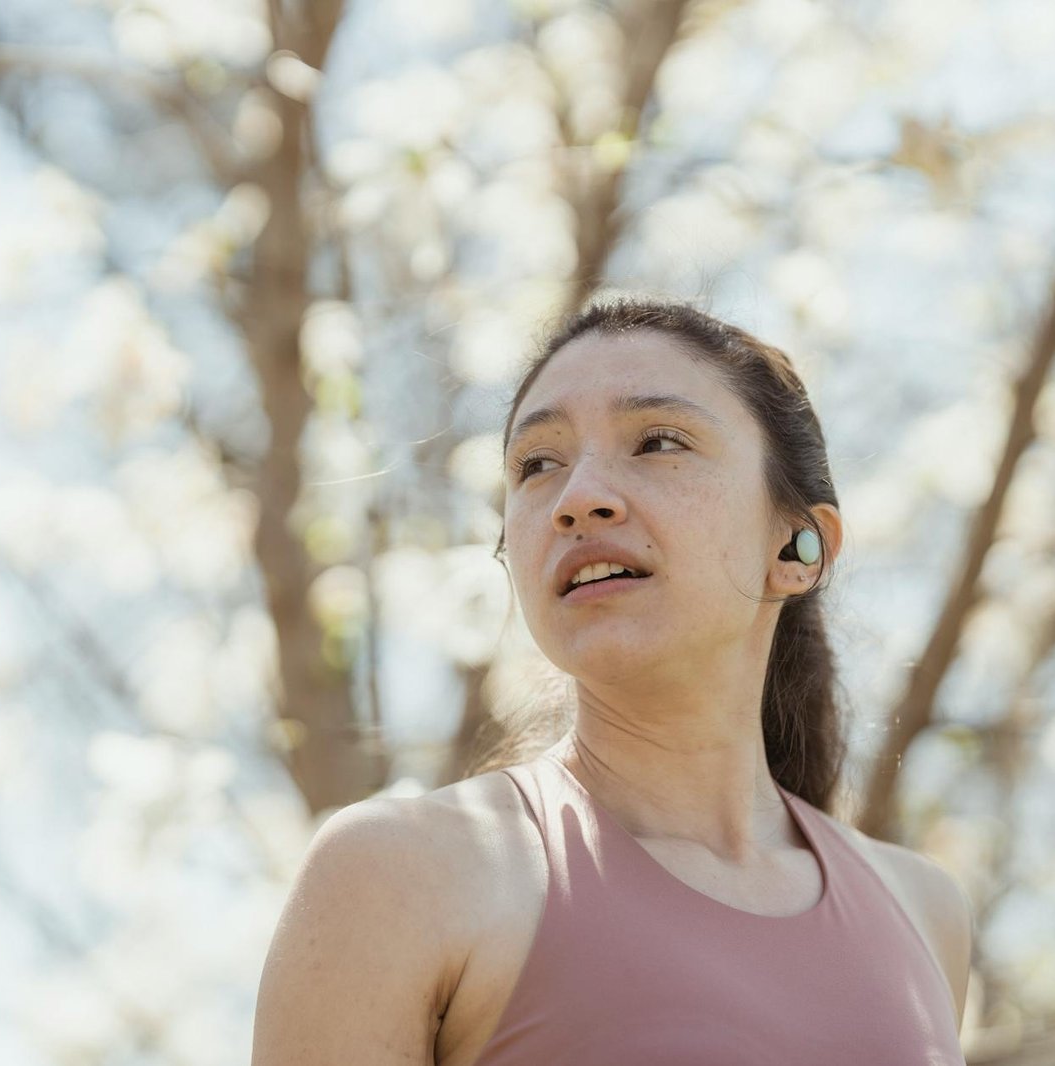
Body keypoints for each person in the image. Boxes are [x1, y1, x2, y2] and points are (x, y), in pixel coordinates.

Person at [252, 298, 973, 1065]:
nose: (577, 499)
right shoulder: (399, 874)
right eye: (537, 465)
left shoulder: (924, 911)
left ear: (799, 548)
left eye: (658, 441)